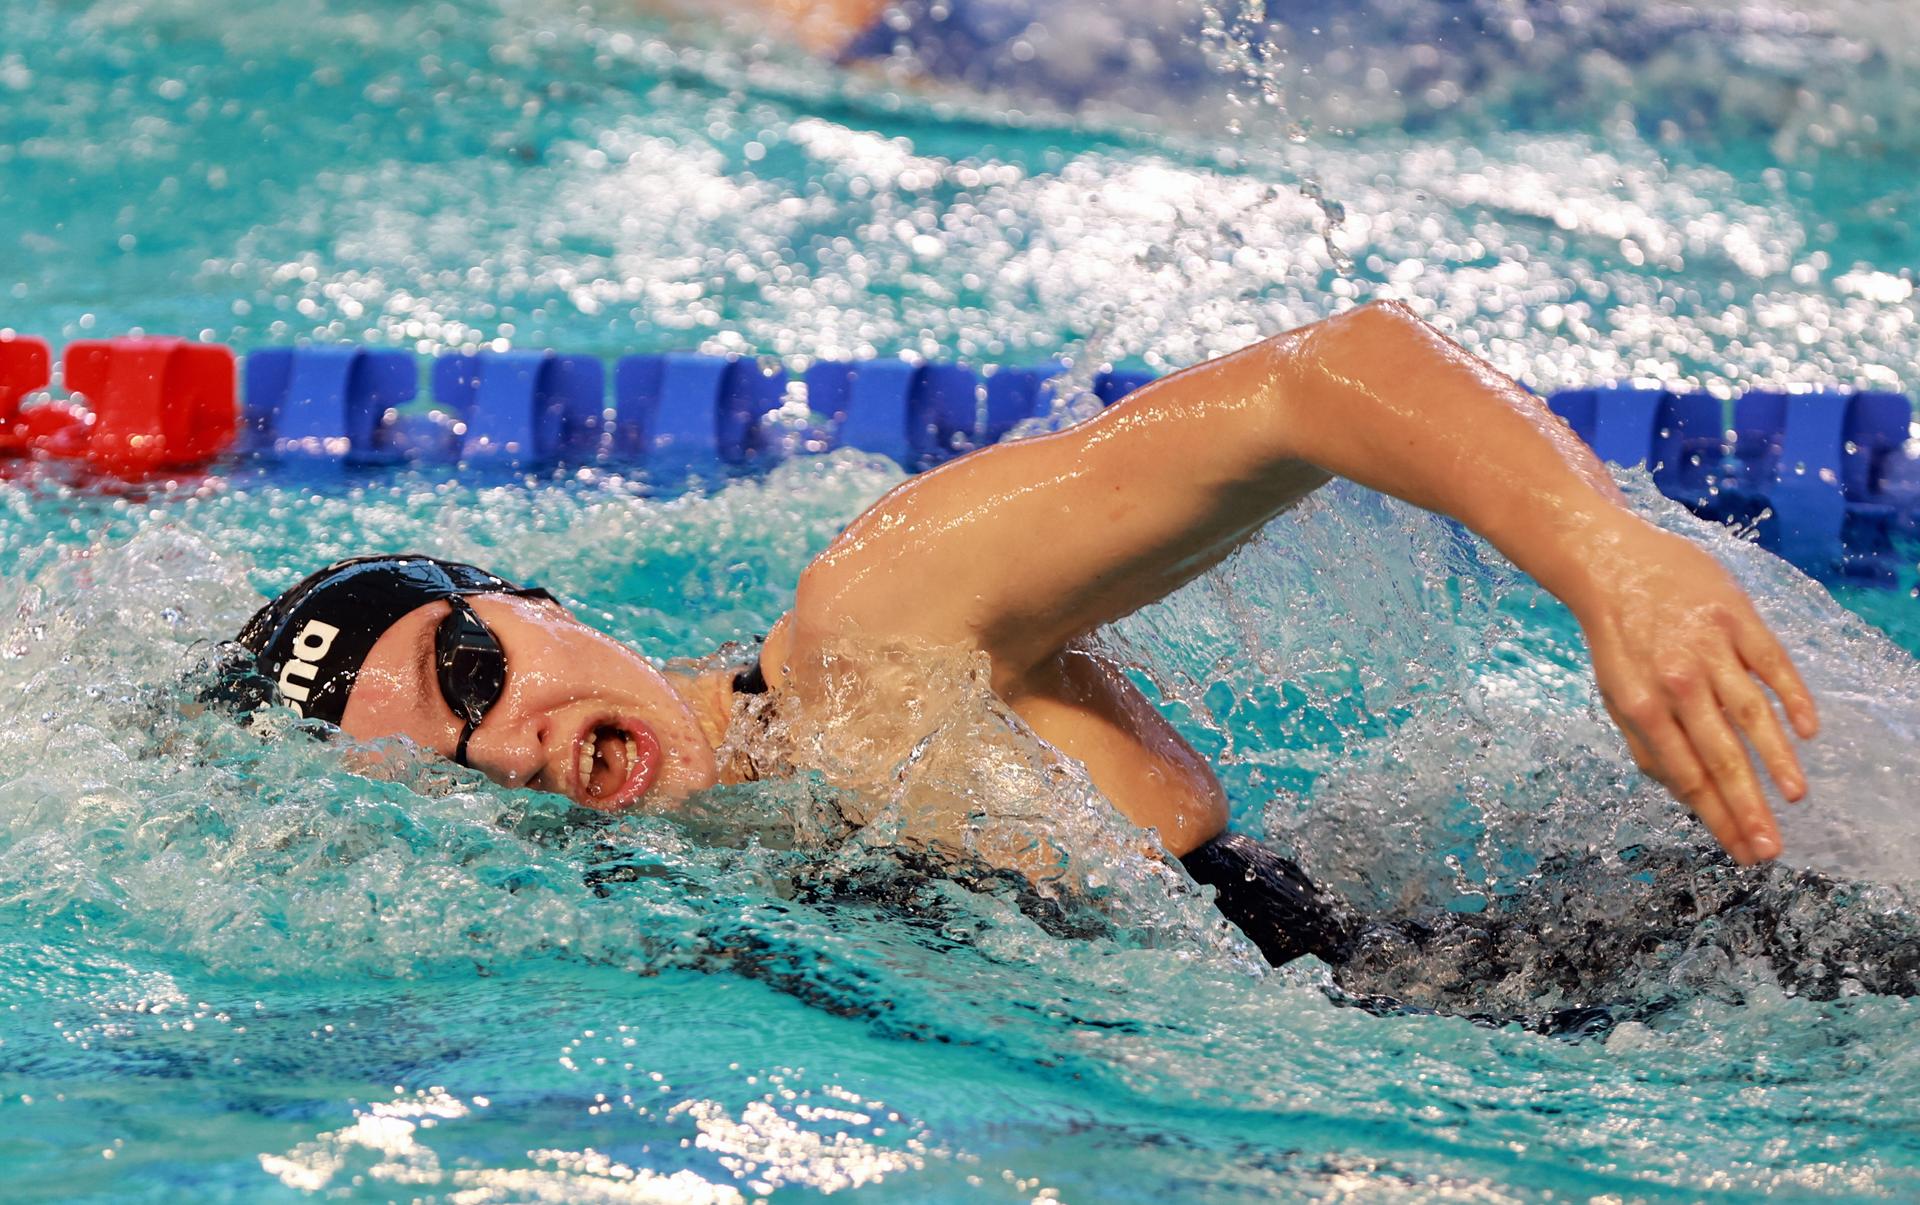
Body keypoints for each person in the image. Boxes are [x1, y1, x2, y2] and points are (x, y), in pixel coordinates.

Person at [222, 301, 1820, 971]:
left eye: (472, 669)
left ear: (534, 602)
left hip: (1648, 984)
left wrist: (1612, 560)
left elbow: (1321, 377)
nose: (509, 742)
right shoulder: (701, 884)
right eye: (454, 773)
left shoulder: (867, 636)